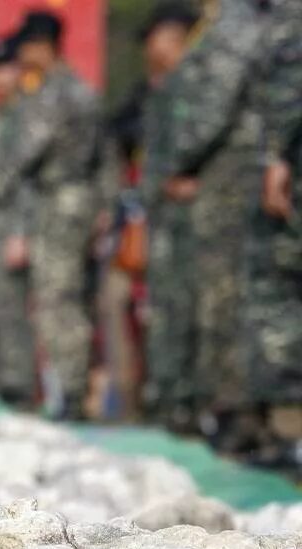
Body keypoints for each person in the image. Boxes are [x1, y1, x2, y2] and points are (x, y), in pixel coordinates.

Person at [145, 0, 268, 448]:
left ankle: (238, 413)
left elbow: (216, 103)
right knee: (215, 300)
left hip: (231, 178)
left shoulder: (235, 22)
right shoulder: (227, 22)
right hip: (226, 176)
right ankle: (225, 408)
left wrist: (179, 163)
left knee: (225, 299)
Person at [0, 12, 101, 420]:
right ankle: (72, 390)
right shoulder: (83, 90)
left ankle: (72, 392)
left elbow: (20, 157)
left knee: (57, 299)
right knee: (65, 297)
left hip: (59, 203)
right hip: (75, 200)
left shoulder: (53, 95)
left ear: (39, 46)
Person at [135, 2, 201, 431]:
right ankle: (171, 398)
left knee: (192, 309)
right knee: (166, 308)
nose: (148, 49)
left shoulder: (194, 82)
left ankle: (192, 402)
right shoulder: (164, 87)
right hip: (164, 215)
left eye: (154, 39)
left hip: (194, 217)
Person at [244, 0, 302, 470]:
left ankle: (290, 434)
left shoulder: (287, 20)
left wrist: (278, 158)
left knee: (281, 304)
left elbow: (286, 92)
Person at [0, 32, 38, 407]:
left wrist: (21, 232)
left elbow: (29, 181)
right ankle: (5, 387)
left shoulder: (28, 114)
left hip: (16, 223)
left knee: (15, 312)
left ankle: (22, 390)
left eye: (5, 68)